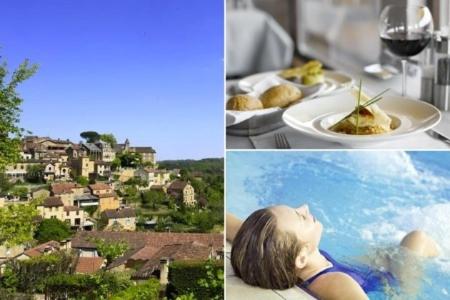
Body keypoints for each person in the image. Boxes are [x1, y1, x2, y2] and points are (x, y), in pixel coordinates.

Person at [227, 205, 439, 300]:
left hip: (365, 273)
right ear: (301, 256)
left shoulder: (264, 248)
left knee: (387, 249)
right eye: (301, 217)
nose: (305, 207)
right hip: (389, 286)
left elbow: (234, 225)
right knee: (417, 238)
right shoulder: (335, 282)